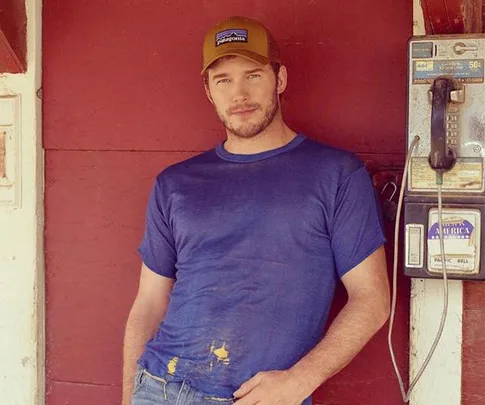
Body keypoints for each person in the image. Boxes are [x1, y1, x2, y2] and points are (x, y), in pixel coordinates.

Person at [123, 15, 390, 405]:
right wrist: (130, 396)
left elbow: (372, 298)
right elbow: (148, 302)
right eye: (224, 80)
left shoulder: (336, 174)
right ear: (209, 92)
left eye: (252, 75)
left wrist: (300, 381)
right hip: (160, 388)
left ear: (279, 80)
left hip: (265, 397)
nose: (239, 94)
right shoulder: (175, 183)